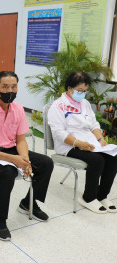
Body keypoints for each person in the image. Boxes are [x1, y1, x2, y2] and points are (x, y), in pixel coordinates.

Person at [0, 71, 53, 241]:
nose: (10, 90)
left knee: (45, 162)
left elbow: (21, 140)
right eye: (5, 87)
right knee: (7, 172)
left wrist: (24, 159)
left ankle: (29, 203)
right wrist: (14, 160)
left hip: (10, 150)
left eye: (14, 87)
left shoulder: (18, 109)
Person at [48, 71, 117, 214]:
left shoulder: (84, 103)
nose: (82, 94)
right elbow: (59, 133)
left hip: (89, 142)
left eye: (85, 91)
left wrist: (101, 140)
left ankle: (101, 195)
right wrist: (80, 144)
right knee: (97, 160)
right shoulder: (58, 106)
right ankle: (88, 198)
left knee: (113, 156)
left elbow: (93, 124)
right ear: (69, 88)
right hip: (68, 145)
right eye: (79, 90)